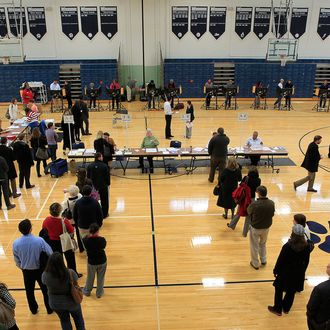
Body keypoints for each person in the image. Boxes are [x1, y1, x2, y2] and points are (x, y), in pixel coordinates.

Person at [268, 224, 311, 316]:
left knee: (279, 289)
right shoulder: (307, 246)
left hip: (285, 272)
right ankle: (286, 308)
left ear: (293, 233)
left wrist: (275, 270)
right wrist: (303, 271)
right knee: (291, 291)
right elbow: (306, 261)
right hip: (298, 273)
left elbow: (281, 260)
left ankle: (277, 309)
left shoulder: (287, 246)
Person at [12, 219, 53, 314]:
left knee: (29, 292)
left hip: (26, 271)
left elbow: (16, 259)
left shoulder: (16, 243)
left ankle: (33, 309)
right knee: (45, 289)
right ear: (31, 229)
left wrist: (22, 267)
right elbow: (50, 252)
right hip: (40, 270)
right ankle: (49, 309)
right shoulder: (39, 240)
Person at [42, 252, 86, 330]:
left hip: (55, 303)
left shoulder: (45, 275)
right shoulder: (70, 272)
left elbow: (44, 283)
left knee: (64, 321)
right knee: (78, 319)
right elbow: (76, 283)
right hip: (72, 301)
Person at [42, 203, 81, 277]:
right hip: (65, 241)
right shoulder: (64, 221)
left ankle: (60, 274)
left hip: (53, 242)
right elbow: (71, 230)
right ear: (60, 211)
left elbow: (44, 229)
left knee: (58, 260)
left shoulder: (46, 220)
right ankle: (73, 274)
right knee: (70, 259)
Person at [247, 185, 275, 270]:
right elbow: (272, 214)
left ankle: (255, 263)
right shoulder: (271, 203)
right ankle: (263, 259)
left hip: (255, 227)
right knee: (263, 244)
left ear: (258, 193)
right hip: (266, 227)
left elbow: (248, 211)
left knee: (254, 245)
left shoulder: (255, 204)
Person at [82, 223, 107, 298]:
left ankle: (87, 291)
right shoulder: (102, 240)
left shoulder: (86, 241)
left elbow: (84, 237)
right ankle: (99, 293)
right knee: (100, 278)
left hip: (92, 262)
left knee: (90, 277)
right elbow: (104, 245)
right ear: (97, 231)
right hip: (102, 261)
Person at [306, 263, 330, 329]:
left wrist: (312, 323)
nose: (327, 266)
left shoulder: (321, 288)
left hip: (322, 323)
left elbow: (311, 308)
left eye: (329, 266)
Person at [87, 153, 110, 218]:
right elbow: (107, 177)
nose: (102, 157)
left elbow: (88, 177)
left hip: (93, 186)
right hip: (103, 186)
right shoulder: (104, 166)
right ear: (99, 157)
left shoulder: (90, 166)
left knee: (92, 200)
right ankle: (105, 214)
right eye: (102, 156)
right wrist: (108, 184)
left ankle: (93, 213)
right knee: (104, 200)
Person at [62, 185, 83, 253]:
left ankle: (71, 248)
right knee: (79, 233)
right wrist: (68, 191)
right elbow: (76, 192)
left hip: (71, 220)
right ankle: (81, 248)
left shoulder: (66, 201)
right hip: (79, 218)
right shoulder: (80, 197)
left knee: (70, 234)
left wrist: (66, 193)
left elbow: (63, 209)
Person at [241, 167, 261, 237]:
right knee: (250, 216)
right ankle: (247, 231)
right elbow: (257, 190)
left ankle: (244, 232)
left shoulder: (246, 178)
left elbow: (241, 185)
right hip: (252, 199)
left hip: (244, 198)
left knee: (241, 213)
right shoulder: (258, 180)